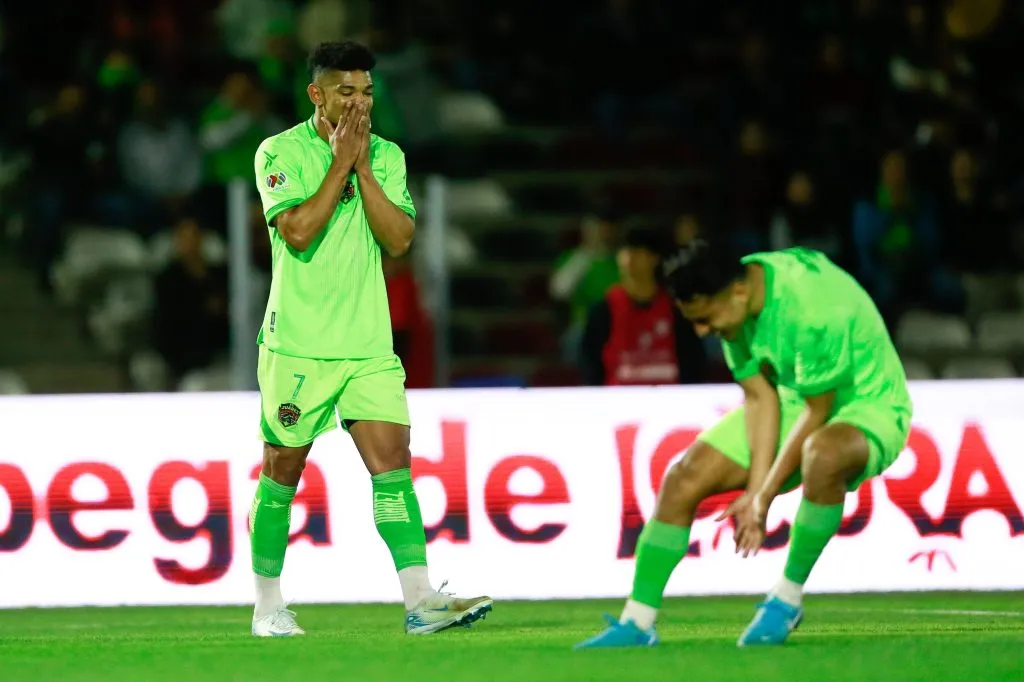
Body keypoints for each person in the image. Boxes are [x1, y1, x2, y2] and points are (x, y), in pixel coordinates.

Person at [250, 40, 492, 638]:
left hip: (367, 346)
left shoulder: (385, 156)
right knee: (281, 473)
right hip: (298, 344)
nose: (359, 103)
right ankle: (268, 607)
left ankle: (419, 602)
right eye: (345, 92)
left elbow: (400, 239)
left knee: (394, 467)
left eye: (366, 92)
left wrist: (360, 165)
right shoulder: (278, 151)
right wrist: (338, 164)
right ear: (317, 94)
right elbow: (300, 232)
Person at [576, 242, 912, 649]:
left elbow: (818, 410)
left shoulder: (809, 311)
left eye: (705, 319)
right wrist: (753, 491)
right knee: (684, 478)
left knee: (822, 453)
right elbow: (761, 397)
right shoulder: (737, 295)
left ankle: (785, 600)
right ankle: (637, 622)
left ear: (737, 293)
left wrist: (764, 497)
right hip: (795, 396)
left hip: (866, 401)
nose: (702, 331)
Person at [579, 228, 705, 386]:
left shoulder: (677, 309)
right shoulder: (603, 310)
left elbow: (692, 362)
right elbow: (591, 366)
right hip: (617, 402)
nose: (628, 258)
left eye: (637, 251)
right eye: (624, 251)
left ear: (655, 258)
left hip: (670, 401)